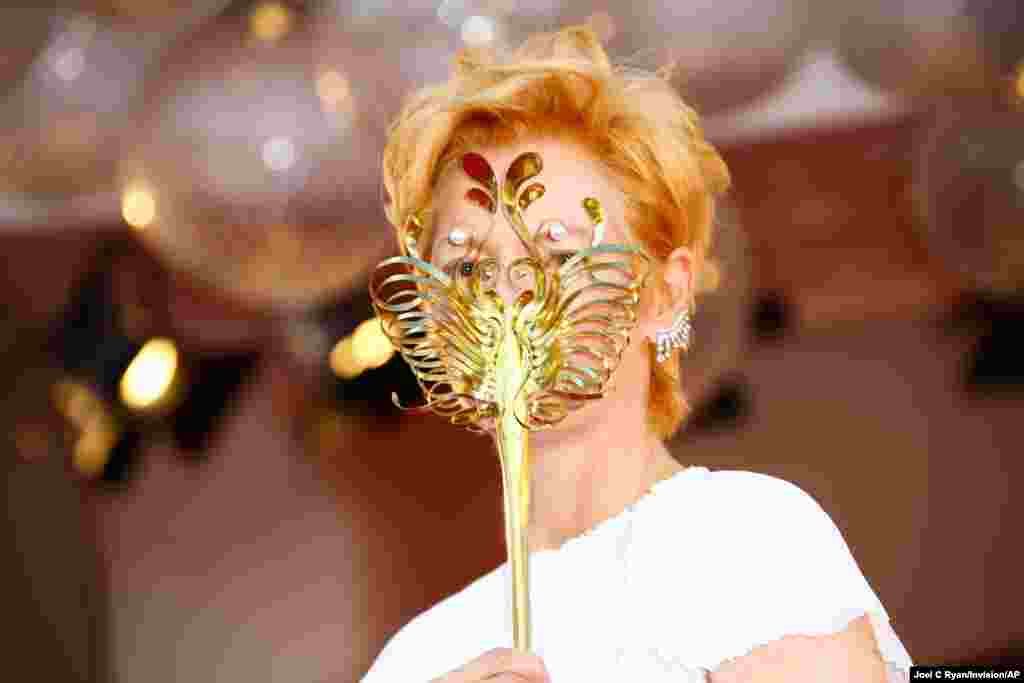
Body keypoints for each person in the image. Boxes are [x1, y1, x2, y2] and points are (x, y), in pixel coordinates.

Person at [362, 25, 914, 682]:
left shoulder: (745, 538)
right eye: (466, 266)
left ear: (666, 294)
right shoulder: (412, 660)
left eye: (558, 253)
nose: (509, 293)